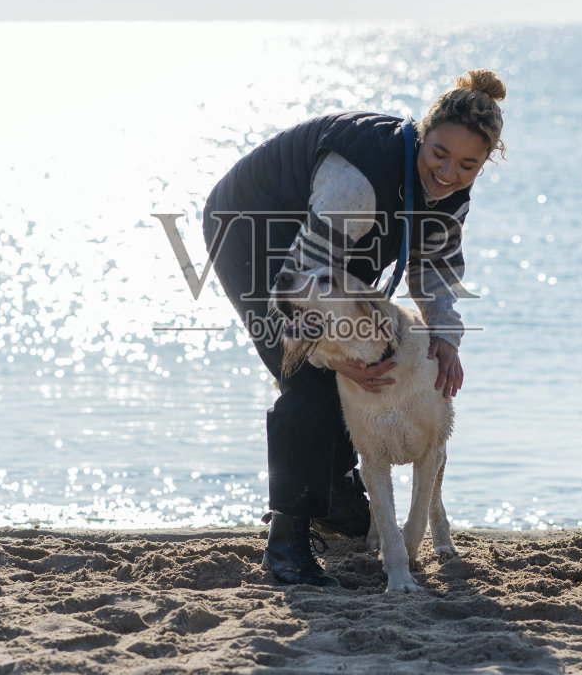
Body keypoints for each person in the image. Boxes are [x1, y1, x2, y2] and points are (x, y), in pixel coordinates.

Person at [202, 69, 507, 586]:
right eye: (439, 154)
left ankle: (334, 493)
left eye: (468, 164)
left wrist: (446, 342)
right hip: (253, 227)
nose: (449, 172)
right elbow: (296, 289)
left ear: (485, 162)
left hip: (336, 242)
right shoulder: (357, 185)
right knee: (307, 373)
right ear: (421, 134)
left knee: (366, 352)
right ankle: (286, 544)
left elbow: (432, 275)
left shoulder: (450, 194)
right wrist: (332, 357)